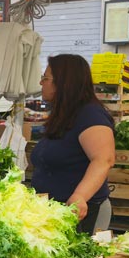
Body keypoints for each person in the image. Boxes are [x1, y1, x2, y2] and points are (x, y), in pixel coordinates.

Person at [30, 54, 115, 235]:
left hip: (82, 215)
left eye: (45, 78)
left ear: (64, 83)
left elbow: (103, 160)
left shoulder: (90, 115)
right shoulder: (63, 114)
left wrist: (80, 196)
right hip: (54, 213)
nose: (41, 83)